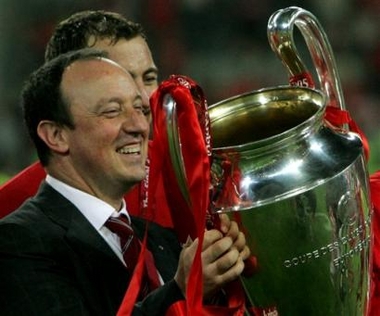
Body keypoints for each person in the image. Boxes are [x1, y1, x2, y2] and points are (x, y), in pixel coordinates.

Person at [0, 48, 250, 315]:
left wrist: (228, 278)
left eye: (141, 110)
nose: (139, 126)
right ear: (56, 135)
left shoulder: (160, 240)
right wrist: (181, 291)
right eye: (112, 111)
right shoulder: (17, 242)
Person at [0, 10, 172, 229]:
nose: (144, 99)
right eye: (121, 79)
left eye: (149, 78)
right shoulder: (10, 210)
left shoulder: (188, 179)